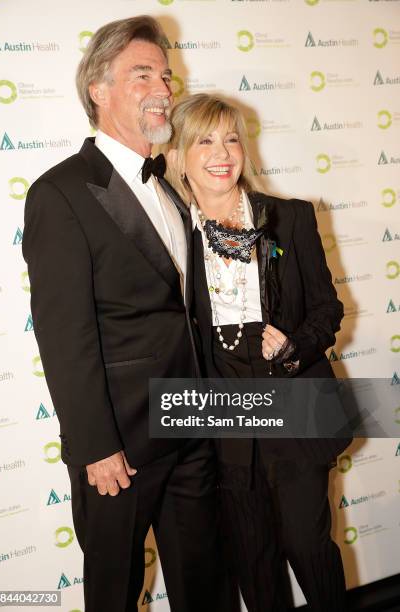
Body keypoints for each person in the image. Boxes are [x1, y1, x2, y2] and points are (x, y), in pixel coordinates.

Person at [22, 20, 230, 612]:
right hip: (119, 448)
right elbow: (66, 335)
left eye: (165, 74)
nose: (163, 86)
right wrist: (95, 446)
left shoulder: (171, 188)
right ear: (99, 89)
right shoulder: (60, 193)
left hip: (191, 424)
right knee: (114, 593)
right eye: (143, 75)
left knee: (204, 584)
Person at [165, 93, 352, 612]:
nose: (221, 152)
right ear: (178, 155)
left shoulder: (288, 218)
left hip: (294, 403)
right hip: (224, 418)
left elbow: (329, 309)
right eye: (203, 139)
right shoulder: (171, 237)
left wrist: (295, 346)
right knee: (253, 558)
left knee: (307, 544)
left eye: (230, 138)